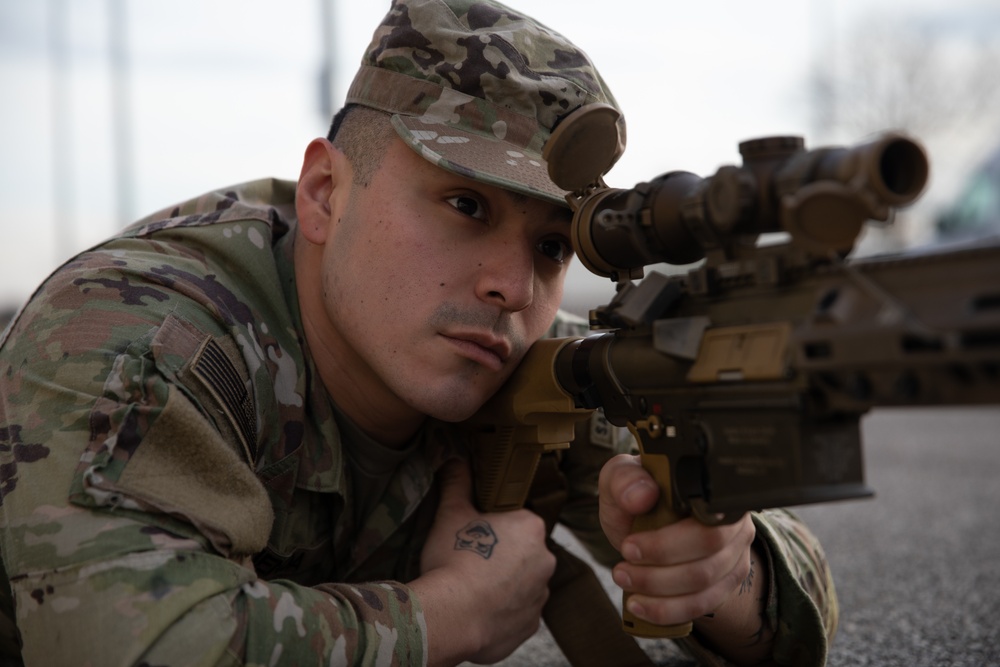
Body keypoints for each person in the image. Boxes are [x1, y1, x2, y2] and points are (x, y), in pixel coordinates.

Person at [0, 1, 837, 665]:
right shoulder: (135, 336)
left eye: (552, 245)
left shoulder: (520, 359)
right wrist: (446, 617)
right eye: (466, 206)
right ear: (326, 192)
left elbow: (797, 596)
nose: (513, 285)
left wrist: (723, 574)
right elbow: (134, 646)